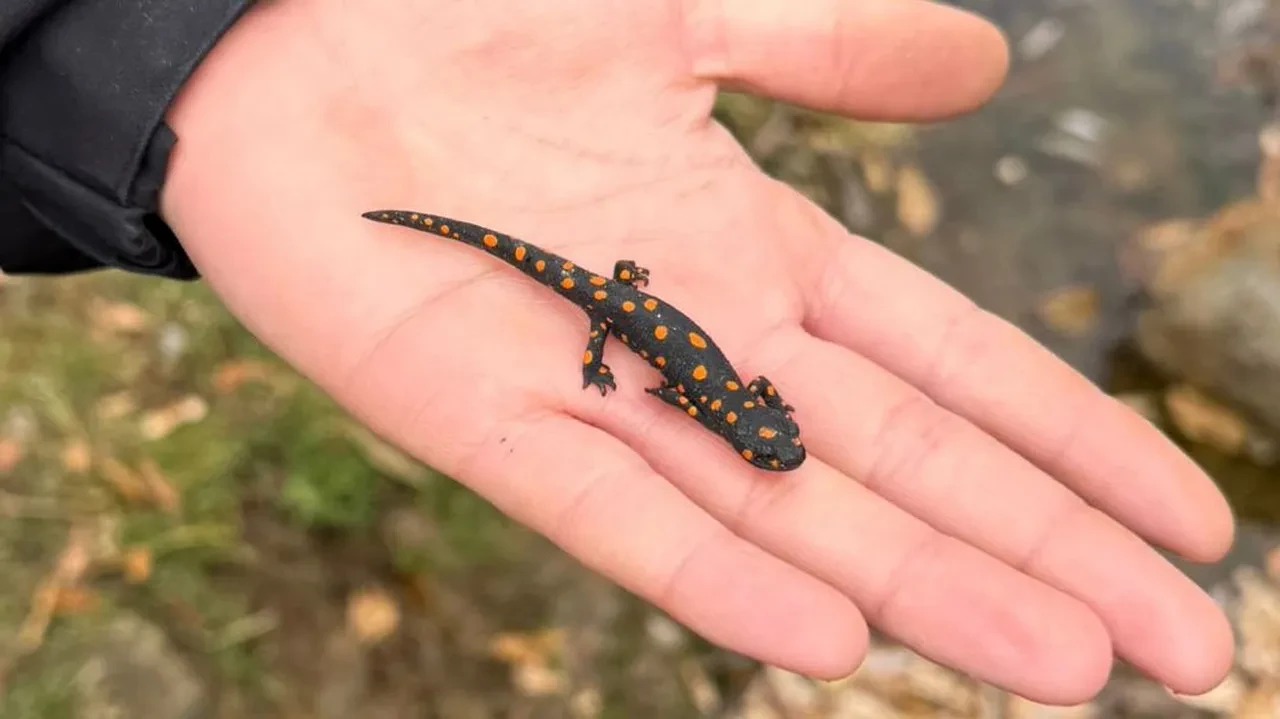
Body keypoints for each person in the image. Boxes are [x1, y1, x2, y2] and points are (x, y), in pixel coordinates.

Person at [0, 0, 1236, 705]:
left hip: (629, 300)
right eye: (772, 436)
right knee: (551, 283)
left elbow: (692, 378)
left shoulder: (727, 402)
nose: (774, 438)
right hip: (610, 297)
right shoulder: (715, 403)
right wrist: (608, 355)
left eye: (770, 438)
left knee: (589, 305)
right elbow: (669, 373)